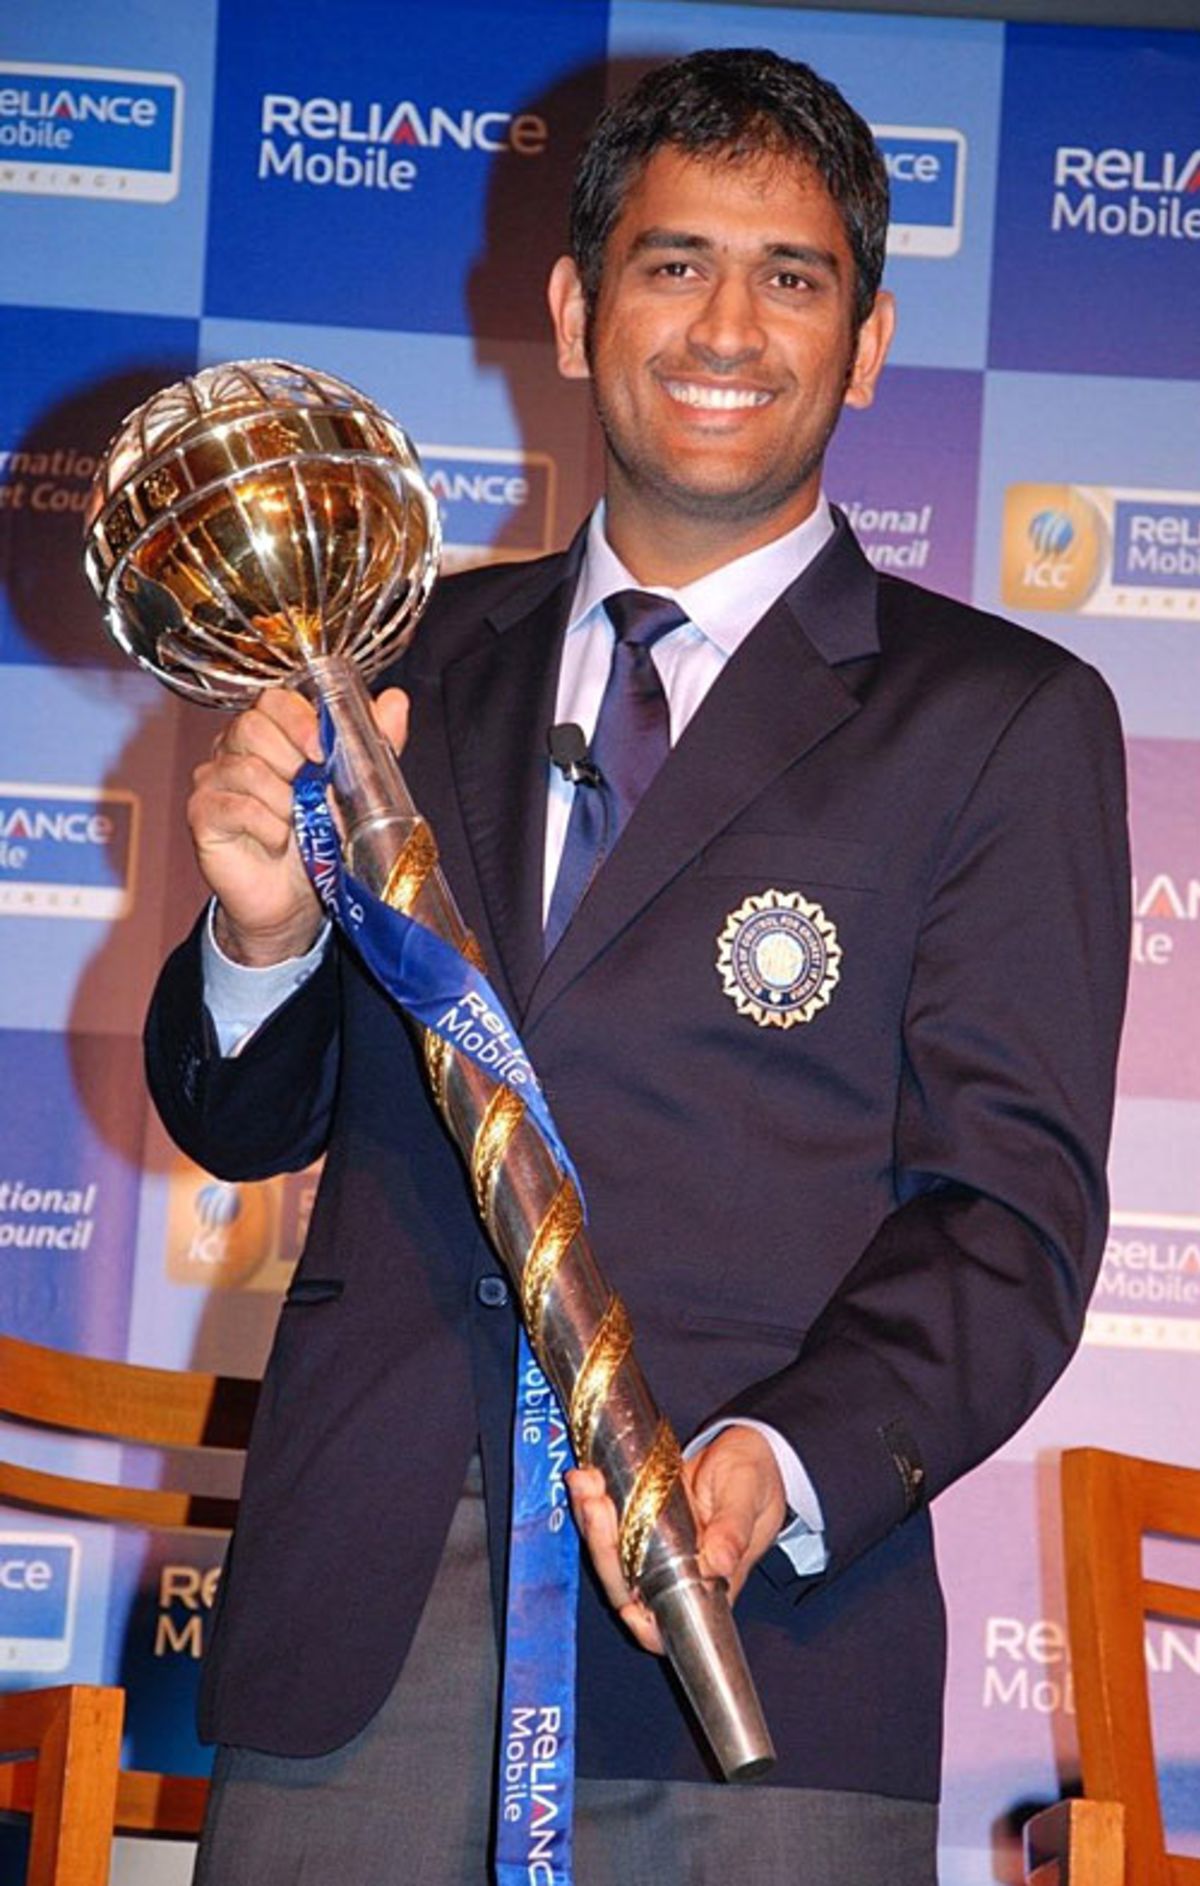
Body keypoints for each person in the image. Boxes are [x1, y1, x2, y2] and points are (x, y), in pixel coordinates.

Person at [145, 47, 1130, 1886]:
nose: (728, 325)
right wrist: (260, 938)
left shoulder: (1004, 721)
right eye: (675, 264)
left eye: (794, 275)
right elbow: (233, 1120)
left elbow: (1012, 1215)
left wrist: (779, 1457)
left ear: (871, 339)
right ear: (579, 303)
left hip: (745, 1633)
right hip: (361, 1624)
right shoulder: (388, 664)